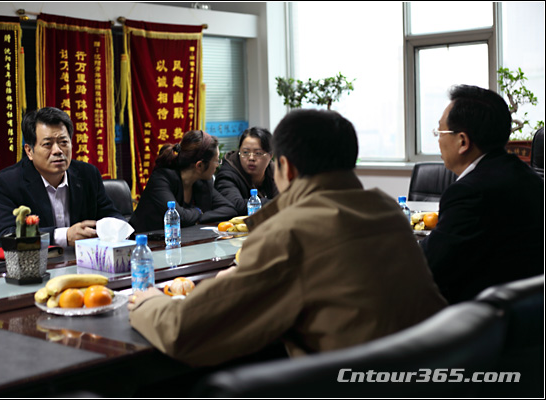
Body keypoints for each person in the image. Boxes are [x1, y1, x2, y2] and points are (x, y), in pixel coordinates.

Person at [128, 109, 447, 367]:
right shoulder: (388, 211)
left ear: (285, 168)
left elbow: (186, 330)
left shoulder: (289, 231)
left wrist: (148, 302)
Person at [420, 84, 544, 304]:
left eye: (440, 132)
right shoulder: (527, 176)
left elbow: (427, 267)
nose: (438, 140)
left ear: (463, 141)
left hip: (483, 315)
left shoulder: (470, 193)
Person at [0, 107, 122, 248]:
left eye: (63, 142)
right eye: (47, 144)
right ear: (29, 151)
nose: (57, 151)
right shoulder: (7, 183)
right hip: (40, 261)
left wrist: (118, 229)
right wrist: (63, 236)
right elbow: (5, 237)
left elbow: (112, 217)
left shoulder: (88, 174)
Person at [129, 130, 237, 233]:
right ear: (199, 165)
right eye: (216, 161)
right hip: (144, 241)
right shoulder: (161, 179)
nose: (218, 165)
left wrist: (200, 217)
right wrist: (198, 212)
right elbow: (178, 217)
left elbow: (229, 209)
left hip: (183, 240)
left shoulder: (202, 182)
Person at [214, 127, 279, 215]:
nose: (251, 158)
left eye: (258, 153)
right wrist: (276, 204)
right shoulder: (227, 175)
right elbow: (235, 205)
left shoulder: (276, 172)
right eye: (245, 152)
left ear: (270, 155)